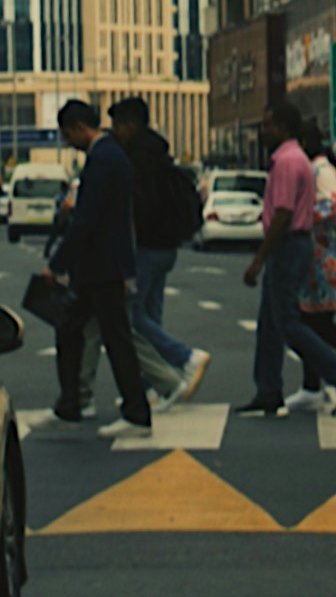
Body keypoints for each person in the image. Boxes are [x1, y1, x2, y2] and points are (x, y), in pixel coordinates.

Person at [245, 93, 336, 415]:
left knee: (295, 324)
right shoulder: (299, 161)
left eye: (268, 126)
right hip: (302, 248)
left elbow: (286, 213)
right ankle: (275, 389)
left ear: (283, 128)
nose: (263, 132)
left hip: (301, 248)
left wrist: (259, 258)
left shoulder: (291, 163)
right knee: (277, 322)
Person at [45, 95, 154, 433]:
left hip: (101, 266)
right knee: (75, 328)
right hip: (102, 265)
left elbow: (88, 219)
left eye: (67, 135)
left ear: (80, 128)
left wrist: (58, 262)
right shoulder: (109, 155)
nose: (67, 143)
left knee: (113, 336)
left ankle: (134, 411)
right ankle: (71, 402)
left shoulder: (103, 159)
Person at [115, 92, 213, 399]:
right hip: (167, 246)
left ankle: (185, 358)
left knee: (133, 317)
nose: (115, 131)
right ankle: (152, 385)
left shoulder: (136, 159)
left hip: (146, 245)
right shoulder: (159, 153)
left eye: (117, 124)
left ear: (130, 125)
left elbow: (137, 206)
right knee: (150, 314)